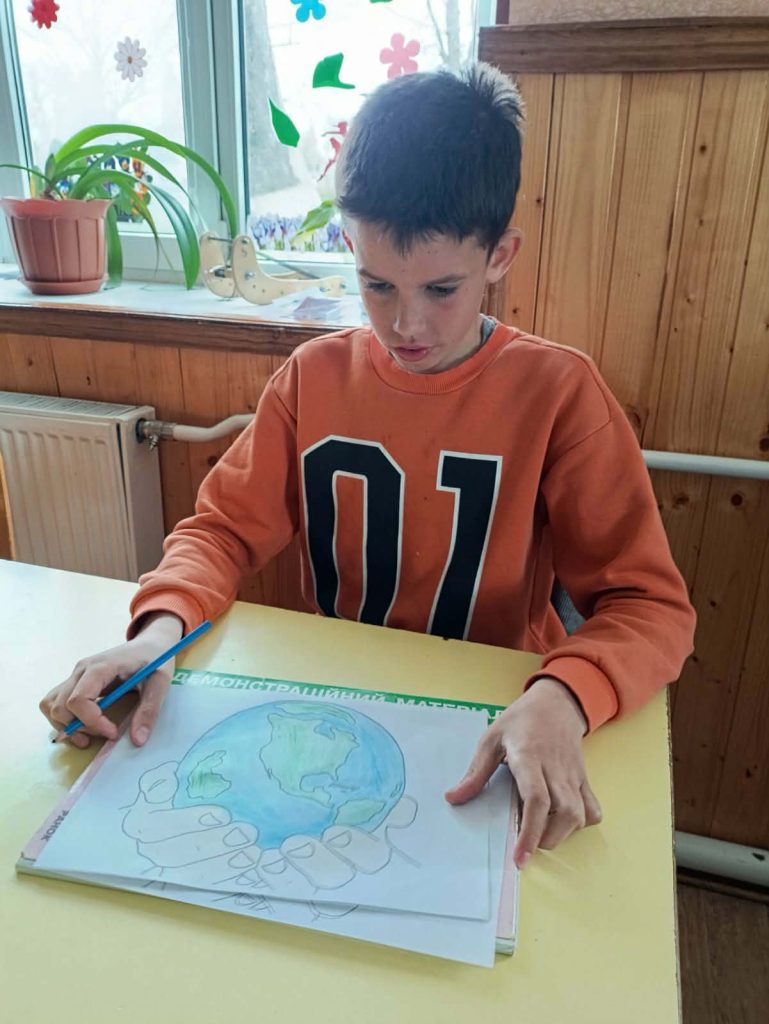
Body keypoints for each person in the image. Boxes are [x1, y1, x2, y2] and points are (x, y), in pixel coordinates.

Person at [39, 63, 696, 870]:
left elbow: (649, 607)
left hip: (494, 720)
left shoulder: (560, 394)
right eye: (376, 285)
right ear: (348, 246)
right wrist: (160, 630)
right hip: (329, 719)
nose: (405, 323)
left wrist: (564, 694)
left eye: (441, 289)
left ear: (499, 255)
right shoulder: (312, 378)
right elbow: (219, 532)